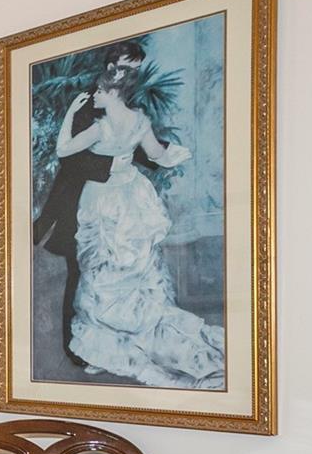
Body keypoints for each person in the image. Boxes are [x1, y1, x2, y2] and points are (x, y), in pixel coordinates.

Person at [58, 78, 223, 388]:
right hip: (132, 197)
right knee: (133, 268)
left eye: (100, 91)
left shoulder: (100, 128)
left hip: (104, 201)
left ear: (113, 93)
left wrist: (69, 112)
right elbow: (158, 154)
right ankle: (123, 339)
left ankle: (106, 347)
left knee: (101, 273)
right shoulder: (140, 122)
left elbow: (63, 150)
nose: (95, 96)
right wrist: (173, 155)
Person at [33, 41, 146, 362]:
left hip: (112, 202)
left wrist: (157, 152)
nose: (133, 75)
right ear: (111, 67)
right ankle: (75, 346)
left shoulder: (124, 100)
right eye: (129, 67)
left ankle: (107, 341)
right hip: (80, 201)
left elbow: (128, 142)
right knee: (81, 273)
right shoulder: (90, 100)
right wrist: (112, 165)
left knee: (109, 274)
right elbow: (72, 158)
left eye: (136, 69)